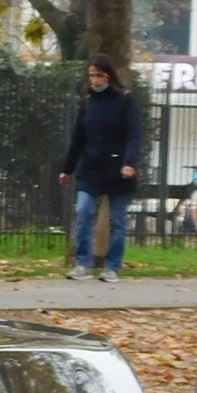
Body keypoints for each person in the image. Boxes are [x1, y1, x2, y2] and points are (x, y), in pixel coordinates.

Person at [58, 55, 143, 281]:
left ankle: (112, 266)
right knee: (83, 211)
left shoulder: (125, 100)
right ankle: (82, 263)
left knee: (117, 220)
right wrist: (67, 169)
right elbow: (78, 137)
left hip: (118, 169)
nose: (94, 80)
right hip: (91, 167)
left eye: (99, 75)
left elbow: (134, 135)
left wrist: (129, 163)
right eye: (91, 75)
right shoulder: (87, 102)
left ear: (108, 75)